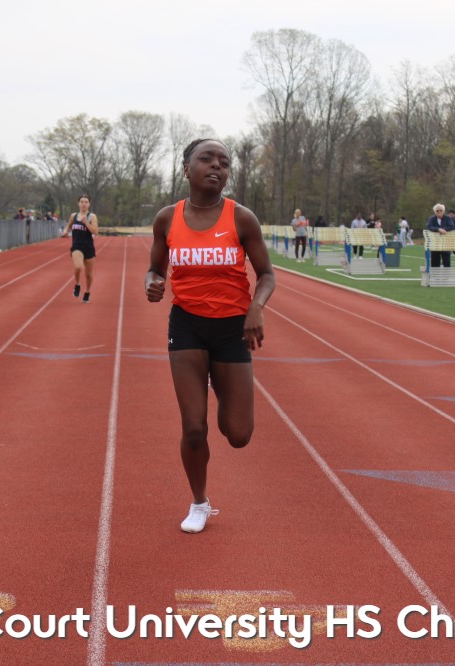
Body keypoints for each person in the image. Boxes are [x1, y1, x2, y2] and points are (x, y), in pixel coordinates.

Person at [144, 138, 275, 534]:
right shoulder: (167, 219)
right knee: (194, 427)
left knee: (238, 434)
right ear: (186, 168)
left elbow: (267, 274)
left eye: (224, 162)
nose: (217, 166)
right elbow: (155, 269)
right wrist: (152, 283)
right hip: (187, 326)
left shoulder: (242, 218)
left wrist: (256, 308)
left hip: (231, 329)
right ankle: (199, 502)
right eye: (207, 159)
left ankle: (219, 384)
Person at [60, 194, 98, 301]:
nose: (84, 204)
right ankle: (77, 284)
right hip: (77, 246)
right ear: (78, 203)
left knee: (88, 274)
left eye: (86, 202)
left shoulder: (92, 216)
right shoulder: (74, 216)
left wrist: (86, 223)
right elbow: (69, 226)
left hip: (88, 247)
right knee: (78, 267)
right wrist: (65, 231)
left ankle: (87, 292)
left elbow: (95, 231)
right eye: (82, 202)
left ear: (89, 204)